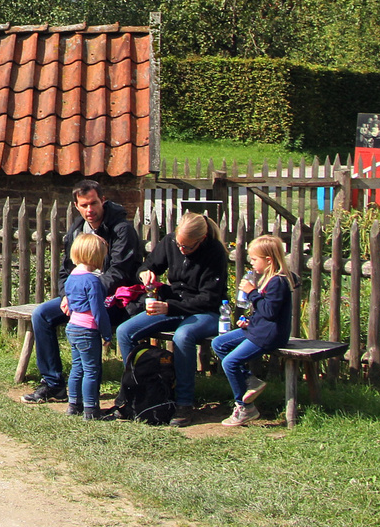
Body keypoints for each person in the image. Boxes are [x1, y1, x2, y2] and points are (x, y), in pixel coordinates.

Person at [23, 178, 144, 403]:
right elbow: (65, 269)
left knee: (91, 322)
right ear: (76, 206)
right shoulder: (77, 229)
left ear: (103, 201)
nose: (90, 210)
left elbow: (120, 273)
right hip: (79, 298)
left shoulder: (121, 230)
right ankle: (53, 384)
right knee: (42, 315)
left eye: (94, 203)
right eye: (84, 205)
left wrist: (87, 294)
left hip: (112, 300)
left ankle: (109, 394)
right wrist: (66, 295)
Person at [114, 211, 227, 427]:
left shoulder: (215, 252)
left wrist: (169, 307)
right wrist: (145, 274)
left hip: (205, 312)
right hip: (173, 306)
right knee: (124, 331)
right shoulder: (170, 242)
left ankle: (184, 402)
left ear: (201, 240)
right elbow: (148, 266)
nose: (182, 250)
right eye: (179, 244)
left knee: (183, 336)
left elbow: (209, 298)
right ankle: (138, 390)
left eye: (188, 247)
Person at [211, 234, 295, 427]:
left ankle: (244, 408)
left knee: (231, 362)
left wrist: (252, 292)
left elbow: (270, 311)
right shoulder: (267, 278)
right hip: (258, 329)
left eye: (255, 259)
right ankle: (250, 380)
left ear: (269, 260)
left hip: (269, 335)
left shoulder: (278, 282)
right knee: (219, 343)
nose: (252, 263)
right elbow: (263, 311)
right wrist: (249, 321)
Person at [63, 233, 113, 420]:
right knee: (91, 370)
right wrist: (107, 334)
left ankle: (73, 404)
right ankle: (91, 410)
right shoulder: (92, 280)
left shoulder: (72, 277)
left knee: (77, 367)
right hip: (87, 330)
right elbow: (98, 310)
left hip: (73, 327)